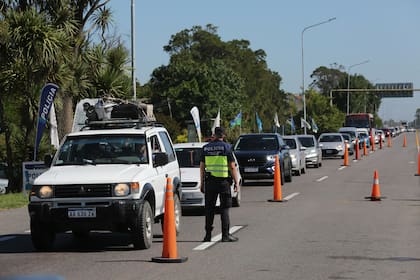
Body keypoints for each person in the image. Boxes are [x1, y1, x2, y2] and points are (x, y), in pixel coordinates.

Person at [200, 127, 240, 242]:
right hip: (223, 183)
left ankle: (207, 235)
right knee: (225, 209)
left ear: (214, 135)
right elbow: (232, 166)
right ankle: (225, 235)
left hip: (210, 182)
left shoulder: (206, 148)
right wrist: (236, 182)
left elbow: (202, 167)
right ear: (223, 135)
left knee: (209, 209)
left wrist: (202, 183)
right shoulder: (227, 147)